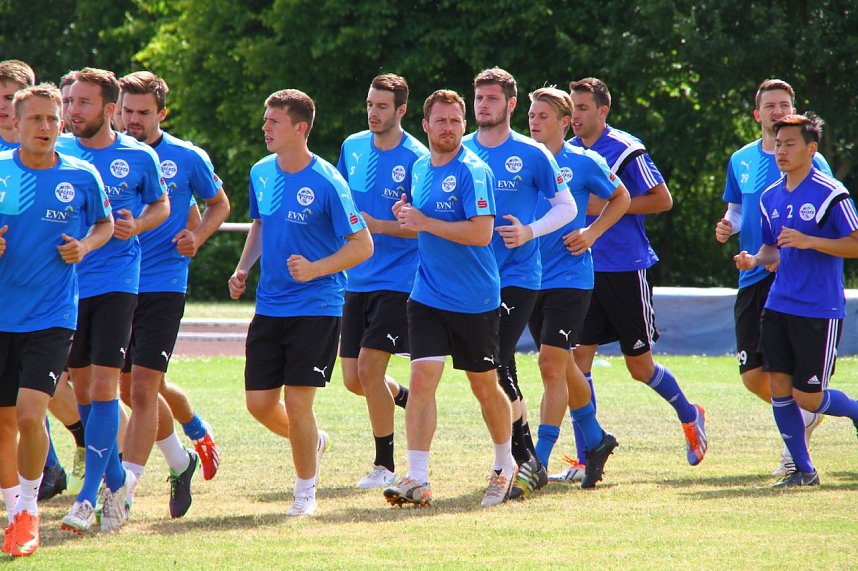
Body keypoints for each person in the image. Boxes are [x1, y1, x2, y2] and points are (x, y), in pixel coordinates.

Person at [229, 89, 372, 516]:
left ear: (300, 128)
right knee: (258, 405)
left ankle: (305, 493)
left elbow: (362, 246)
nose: (265, 128)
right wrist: (242, 268)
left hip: (317, 306)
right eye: (265, 120)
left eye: (274, 121)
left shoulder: (328, 180)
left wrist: (316, 268)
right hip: (269, 305)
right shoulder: (260, 172)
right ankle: (313, 441)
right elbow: (260, 224)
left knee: (297, 402)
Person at [556, 78, 706, 480]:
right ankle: (588, 456)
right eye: (572, 109)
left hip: (625, 269)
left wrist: (604, 206)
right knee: (576, 365)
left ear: (603, 111)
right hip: (582, 271)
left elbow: (663, 199)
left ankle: (691, 416)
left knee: (639, 367)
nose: (575, 117)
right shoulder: (562, 153)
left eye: (583, 109)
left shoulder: (624, 149)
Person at [382, 89, 516, 508]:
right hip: (427, 294)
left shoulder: (473, 171)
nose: (448, 128)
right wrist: (409, 218)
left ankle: (504, 464)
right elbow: (421, 221)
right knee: (422, 381)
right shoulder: (420, 166)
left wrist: (425, 222)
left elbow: (480, 233)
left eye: (456, 121)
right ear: (426, 126)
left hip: (474, 299)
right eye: (440, 121)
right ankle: (418, 478)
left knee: (484, 387)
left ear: (464, 125)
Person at [0, 83, 113, 557]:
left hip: (52, 315)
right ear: (16, 124)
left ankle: (28, 511)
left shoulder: (82, 175)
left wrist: (84, 245)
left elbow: (105, 223)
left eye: (52, 119)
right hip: (3, 316)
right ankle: (11, 512)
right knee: (3, 422)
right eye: (36, 119)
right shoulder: (2, 173)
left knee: (30, 412)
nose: (46, 127)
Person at [56, 67, 170, 534]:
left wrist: (137, 225)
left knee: (105, 388)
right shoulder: (57, 152)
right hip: (66, 286)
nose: (71, 111)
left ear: (109, 109)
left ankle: (88, 500)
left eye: (82, 103)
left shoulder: (138, 156)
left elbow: (162, 205)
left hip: (118, 283)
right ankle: (118, 479)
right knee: (81, 392)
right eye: (68, 102)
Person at [116, 71, 230, 517]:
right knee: (128, 390)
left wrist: (197, 237)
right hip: (111, 286)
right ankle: (181, 459)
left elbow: (217, 203)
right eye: (127, 111)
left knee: (144, 388)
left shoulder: (186, 156)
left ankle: (125, 491)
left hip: (163, 285)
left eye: (143, 113)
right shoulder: (104, 155)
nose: (133, 120)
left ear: (162, 113)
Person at [462, 68, 576, 498]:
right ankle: (527, 461)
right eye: (479, 98)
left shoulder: (532, 154)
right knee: (491, 368)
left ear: (511, 105)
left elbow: (565, 208)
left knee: (493, 361)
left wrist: (529, 231)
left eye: (492, 98)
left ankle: (516, 463)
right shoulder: (463, 153)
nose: (483, 105)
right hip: (472, 279)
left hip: (518, 277)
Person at [734, 113, 858, 487]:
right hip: (778, 304)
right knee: (778, 388)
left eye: (790, 144)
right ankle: (804, 471)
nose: (780, 150)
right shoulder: (770, 196)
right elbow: (775, 250)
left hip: (819, 309)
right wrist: (755, 259)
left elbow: (854, 243)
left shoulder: (830, 192)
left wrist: (811, 241)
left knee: (809, 396)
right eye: (777, 143)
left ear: (811, 148)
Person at [715, 79, 830, 475]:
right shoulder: (741, 159)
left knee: (793, 375)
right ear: (757, 115)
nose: (778, 111)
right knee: (751, 375)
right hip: (753, 272)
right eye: (770, 106)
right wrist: (727, 227)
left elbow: (825, 214)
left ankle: (798, 446)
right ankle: (806, 416)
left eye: (784, 104)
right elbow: (738, 211)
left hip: (792, 277)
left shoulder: (811, 159)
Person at [526, 87, 630, 488]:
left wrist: (591, 233)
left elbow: (620, 198)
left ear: (565, 122)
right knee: (564, 364)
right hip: (529, 276)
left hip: (570, 277)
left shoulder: (584, 161)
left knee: (551, 364)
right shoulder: (519, 159)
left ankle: (538, 461)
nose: (534, 122)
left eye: (543, 116)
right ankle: (596, 439)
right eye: (531, 115)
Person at [336, 74, 428, 488]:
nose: (373, 113)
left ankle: (385, 466)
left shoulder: (418, 158)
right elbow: (339, 204)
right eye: (370, 104)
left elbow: (426, 226)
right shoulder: (352, 147)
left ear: (402, 111)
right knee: (354, 379)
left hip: (399, 279)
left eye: (382, 106)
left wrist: (380, 226)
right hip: (355, 278)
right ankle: (405, 398)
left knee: (371, 371)